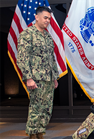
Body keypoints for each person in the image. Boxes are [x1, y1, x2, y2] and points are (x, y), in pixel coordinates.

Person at [17, 6, 59, 139]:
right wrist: (28, 78)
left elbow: (51, 58)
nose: (47, 21)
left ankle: (40, 132)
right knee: (36, 108)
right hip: (36, 78)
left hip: (48, 78)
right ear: (37, 17)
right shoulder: (27, 34)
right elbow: (22, 58)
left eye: (49, 19)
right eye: (45, 17)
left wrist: (54, 77)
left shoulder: (47, 36)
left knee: (46, 109)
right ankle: (33, 135)